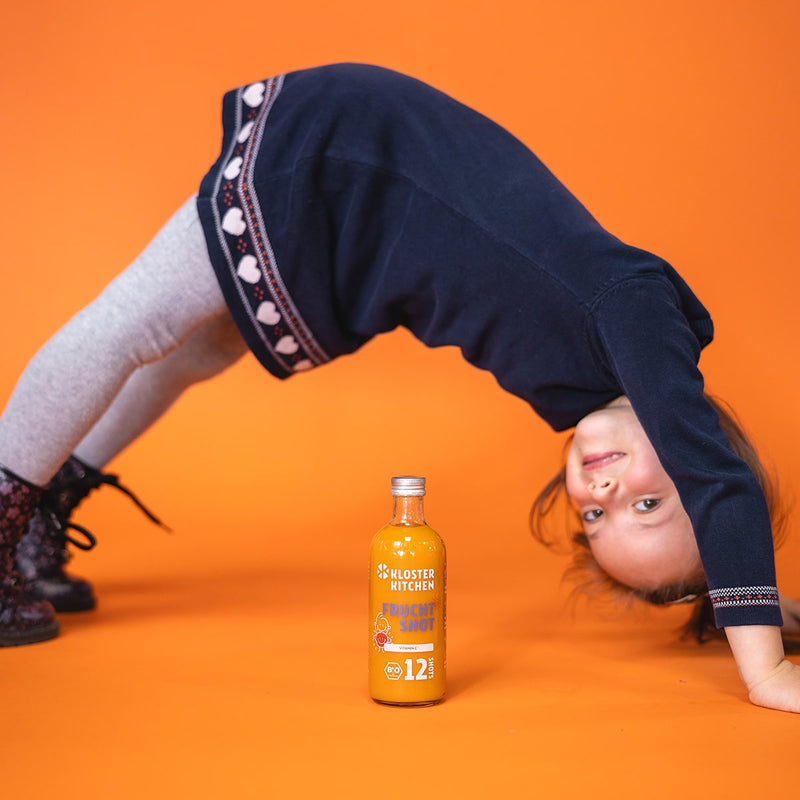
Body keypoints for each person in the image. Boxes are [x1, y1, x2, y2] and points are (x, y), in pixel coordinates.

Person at [0, 63, 797, 712]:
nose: (606, 489)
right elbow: (719, 485)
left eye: (594, 517)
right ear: (701, 445)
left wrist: (766, 609)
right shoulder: (643, 325)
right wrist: (760, 667)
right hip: (350, 161)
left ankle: (43, 497)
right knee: (136, 323)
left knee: (198, 346)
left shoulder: (586, 392)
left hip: (368, 234)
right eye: (649, 502)